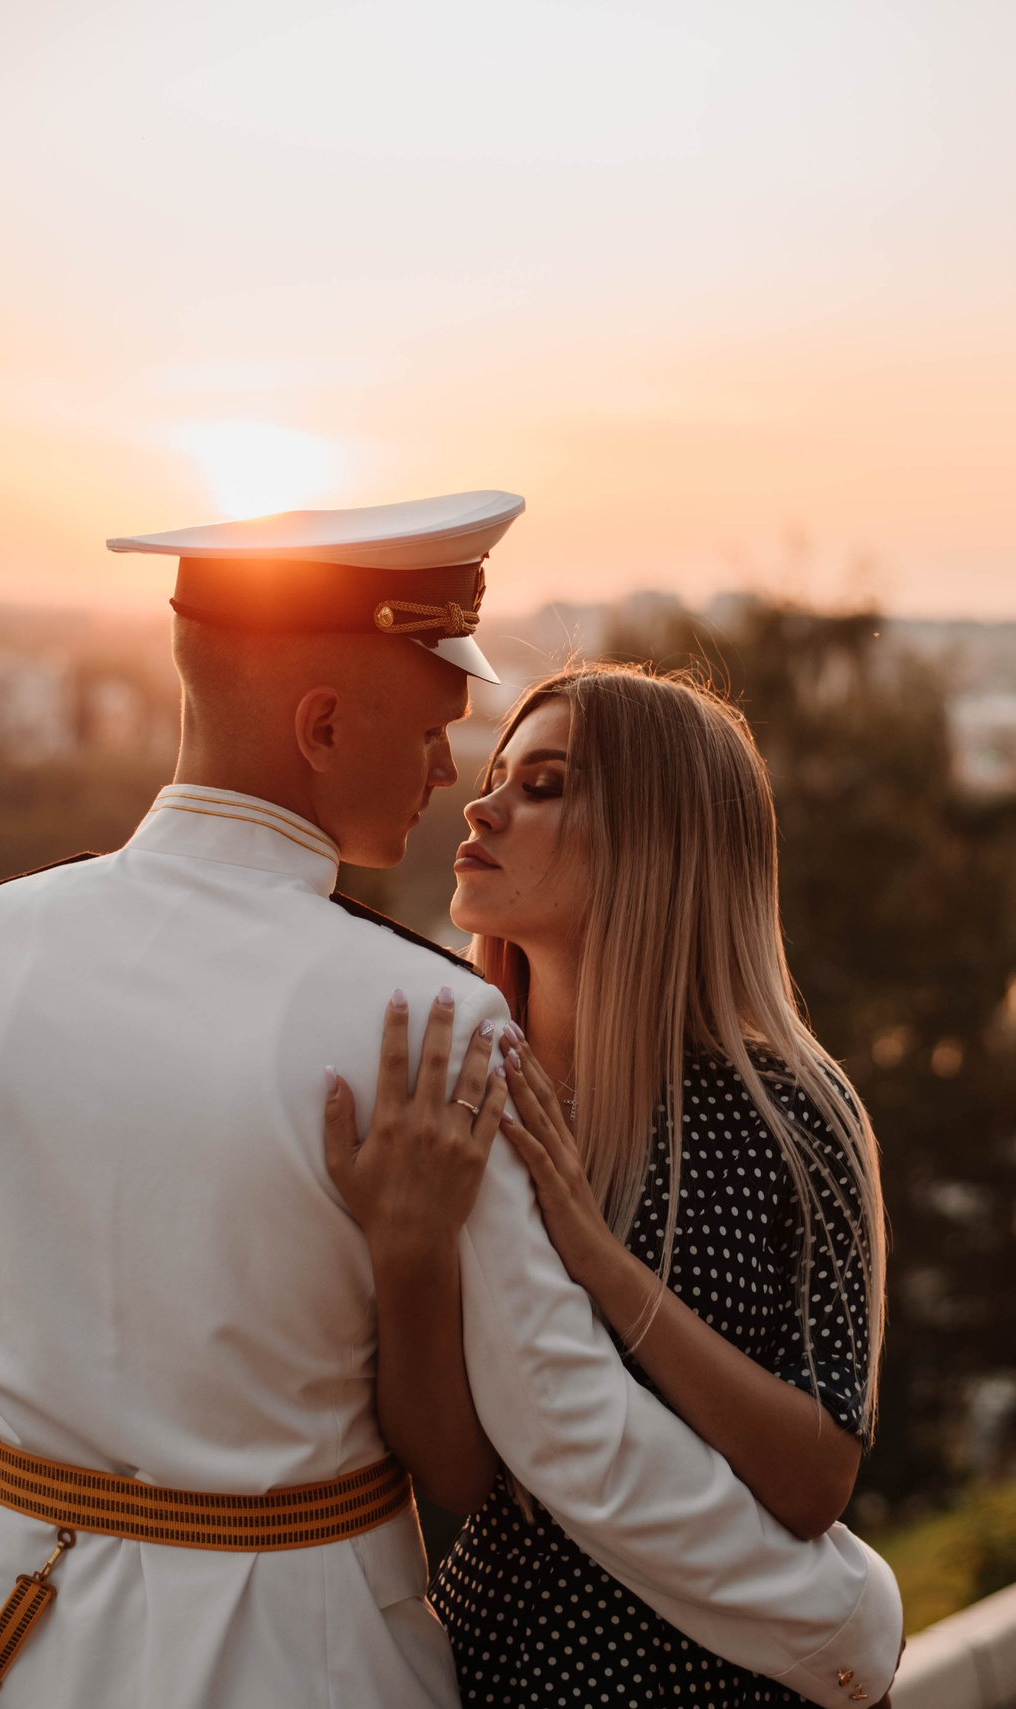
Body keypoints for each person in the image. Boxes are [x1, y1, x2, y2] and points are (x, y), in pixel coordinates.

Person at [0, 492, 902, 1709]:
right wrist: (841, 1621)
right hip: (303, 1656)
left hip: (5, 1645)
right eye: (442, 731)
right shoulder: (427, 1024)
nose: (452, 778)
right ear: (323, 724)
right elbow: (564, 1431)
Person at [335, 664, 890, 1706]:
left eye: (542, 785)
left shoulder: (787, 1115)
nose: (481, 802)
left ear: (657, 838)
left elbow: (814, 1480)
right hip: (502, 1666)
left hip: (721, 1679)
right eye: (497, 772)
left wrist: (597, 1258)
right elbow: (458, 1478)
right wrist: (406, 1253)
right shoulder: (455, 1090)